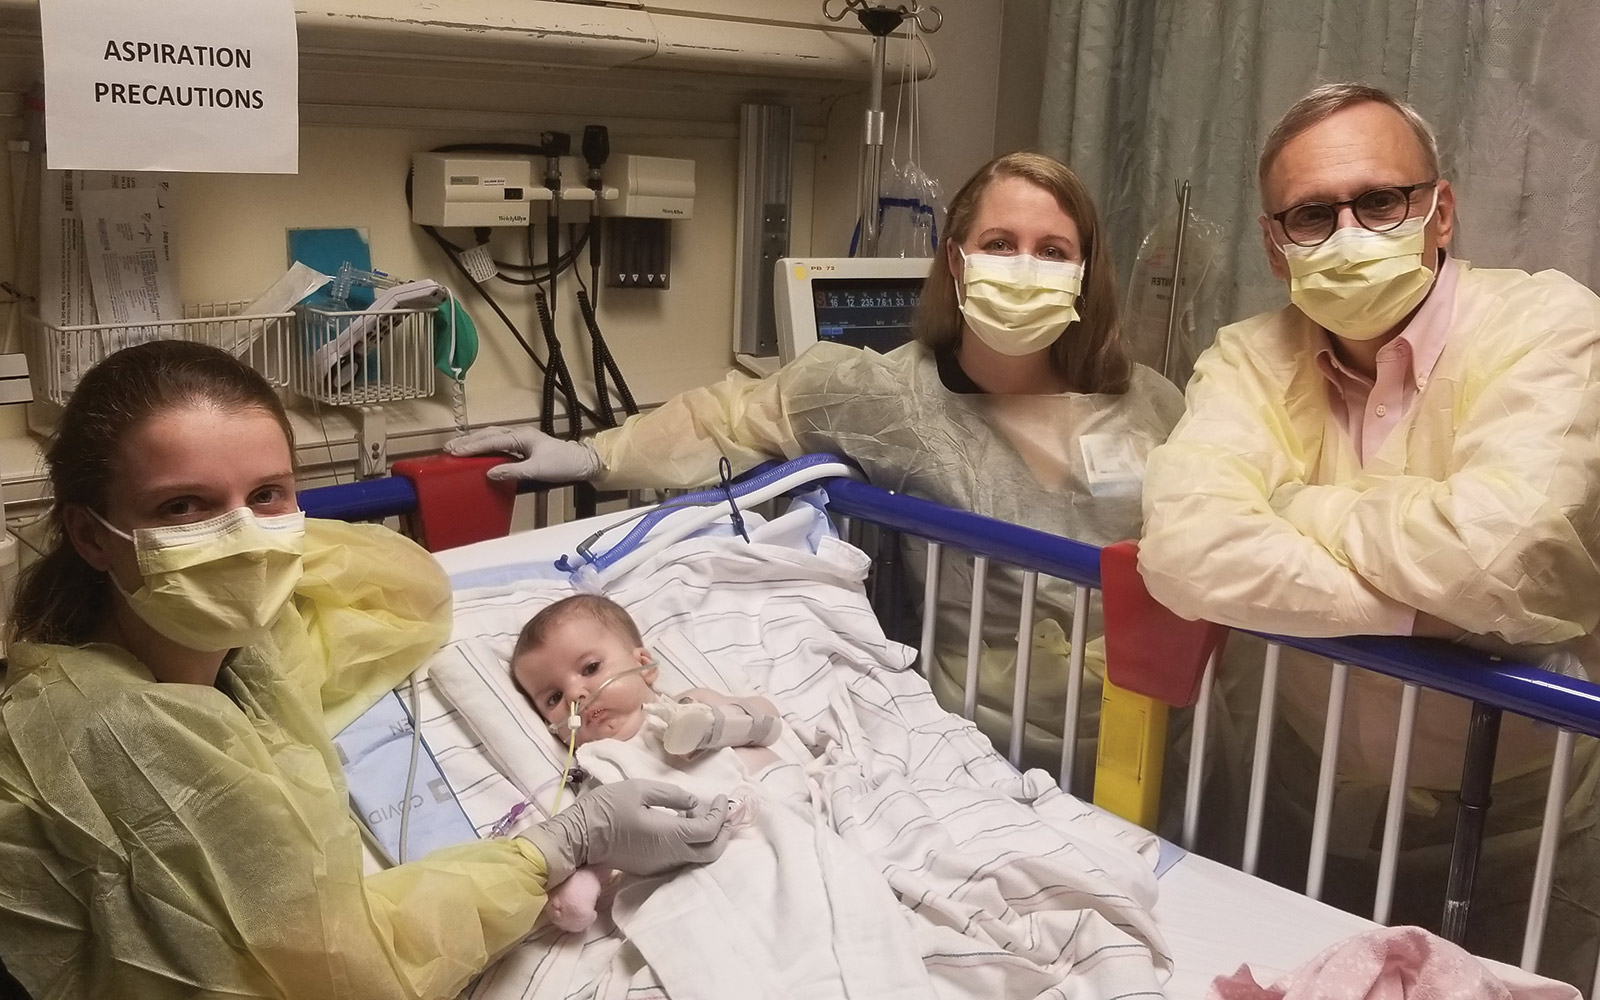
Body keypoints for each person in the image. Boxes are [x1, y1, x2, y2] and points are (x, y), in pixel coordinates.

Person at [0, 341, 733, 1000]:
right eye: (184, 506)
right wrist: (565, 840)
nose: (243, 544)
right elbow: (347, 973)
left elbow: (408, 595)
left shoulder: (244, 649)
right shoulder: (116, 734)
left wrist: (265, 534)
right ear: (92, 537)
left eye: (267, 495)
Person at [450, 151, 1188, 780]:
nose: (1025, 266)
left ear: (1085, 273)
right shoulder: (888, 397)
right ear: (957, 261)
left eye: (1052, 251)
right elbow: (731, 416)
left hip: (1153, 734)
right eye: (1000, 242)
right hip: (981, 738)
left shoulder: (1150, 406)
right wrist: (588, 455)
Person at [1138, 82, 1600, 987]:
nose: (1349, 232)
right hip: (1306, 802)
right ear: (1275, 247)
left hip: (1518, 824)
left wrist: (1299, 507)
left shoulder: (1550, 324)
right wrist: (1442, 616)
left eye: (1381, 200)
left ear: (1440, 212)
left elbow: (1502, 554)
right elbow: (1185, 553)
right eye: (1312, 214)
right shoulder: (1247, 356)